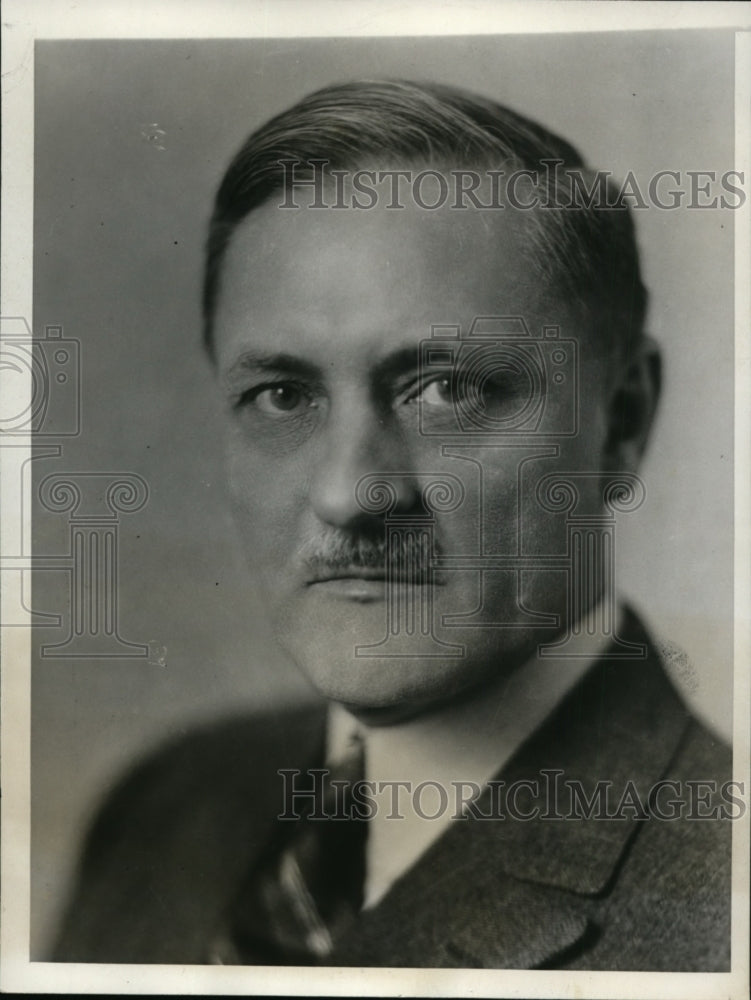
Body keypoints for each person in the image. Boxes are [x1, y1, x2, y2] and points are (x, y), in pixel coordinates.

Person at [53, 80, 732, 970]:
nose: (349, 494)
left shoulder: (719, 900)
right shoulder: (162, 806)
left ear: (623, 420)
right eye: (282, 396)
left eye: (448, 389)